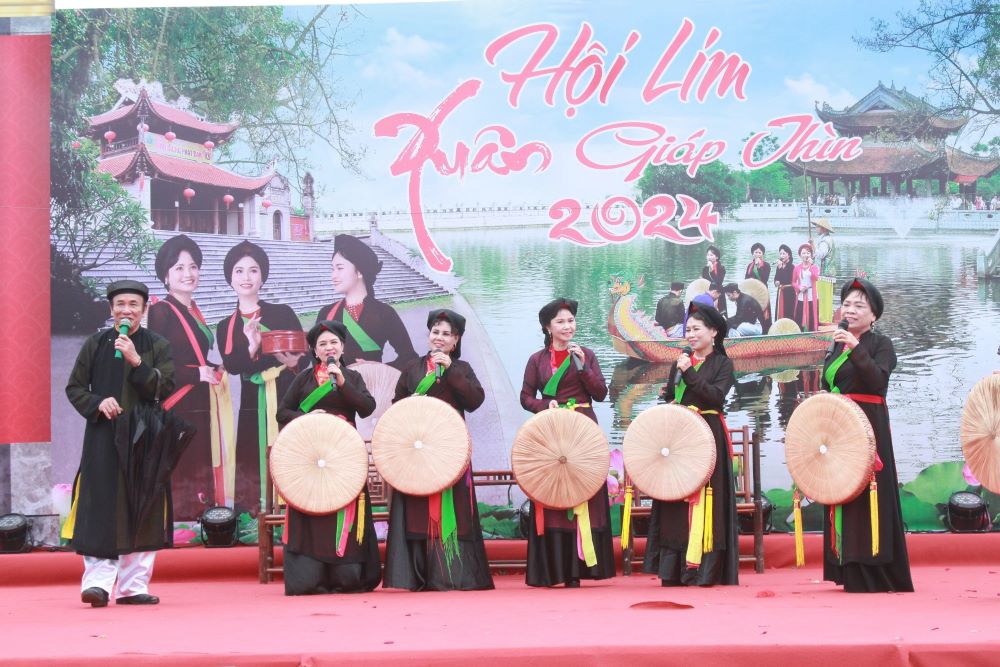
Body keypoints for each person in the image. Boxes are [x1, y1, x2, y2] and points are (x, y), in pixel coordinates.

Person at [64, 280, 176, 607]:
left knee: (142, 506)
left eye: (133, 305)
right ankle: (98, 584)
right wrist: (97, 403)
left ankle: (132, 587)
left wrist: (136, 361)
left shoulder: (157, 345)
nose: (126, 310)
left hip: (145, 434)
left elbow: (163, 388)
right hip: (103, 436)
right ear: (111, 308)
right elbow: (75, 389)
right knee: (100, 505)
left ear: (144, 309)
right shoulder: (96, 344)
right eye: (120, 304)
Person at [383, 309, 494, 591]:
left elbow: (475, 401)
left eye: (446, 334)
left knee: (453, 508)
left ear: (455, 340)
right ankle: (416, 575)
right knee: (416, 508)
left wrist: (452, 370)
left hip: (450, 450)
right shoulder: (412, 368)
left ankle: (452, 575)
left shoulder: (463, 368)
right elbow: (397, 404)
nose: (439, 338)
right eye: (436, 332)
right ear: (429, 335)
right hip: (417, 451)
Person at [821, 279, 913, 593]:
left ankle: (874, 570)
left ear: (874, 315)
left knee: (868, 492)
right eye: (847, 304)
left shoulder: (880, 344)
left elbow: (876, 383)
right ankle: (846, 566)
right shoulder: (835, 343)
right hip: (839, 429)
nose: (851, 310)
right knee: (842, 490)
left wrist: (856, 348)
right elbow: (830, 385)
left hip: (868, 428)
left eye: (859, 306)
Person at [276, 321, 380, 595]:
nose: (328, 347)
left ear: (342, 347)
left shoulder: (351, 377)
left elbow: (367, 408)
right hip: (310, 457)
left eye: (333, 342)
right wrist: (306, 417)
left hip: (344, 457)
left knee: (343, 508)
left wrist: (343, 384)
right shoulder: (303, 379)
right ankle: (310, 576)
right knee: (312, 508)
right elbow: (282, 413)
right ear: (314, 349)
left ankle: (346, 575)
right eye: (322, 344)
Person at [520, 298, 614, 588]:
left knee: (583, 488)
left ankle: (583, 567)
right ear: (548, 327)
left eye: (571, 320)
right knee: (554, 490)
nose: (567, 326)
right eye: (560, 322)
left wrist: (584, 367)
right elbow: (525, 397)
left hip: (583, 429)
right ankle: (556, 568)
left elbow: (601, 393)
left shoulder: (585, 354)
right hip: (552, 431)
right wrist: (544, 406)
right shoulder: (537, 360)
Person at [646, 301, 737, 587]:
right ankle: (673, 569)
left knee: (707, 500)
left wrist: (688, 373)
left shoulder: (723, 364)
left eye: (697, 329)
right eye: (688, 329)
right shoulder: (681, 361)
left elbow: (714, 397)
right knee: (675, 497)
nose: (691, 334)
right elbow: (677, 394)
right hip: (680, 438)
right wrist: (669, 395)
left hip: (708, 435)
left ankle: (703, 569)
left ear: (713, 333)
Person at [216, 240, 305, 514]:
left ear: (262, 276)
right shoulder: (225, 326)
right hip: (253, 399)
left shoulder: (282, 312)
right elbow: (232, 366)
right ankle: (254, 515)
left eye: (253, 270)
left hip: (285, 391)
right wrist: (252, 346)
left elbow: (305, 353)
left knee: (290, 447)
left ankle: (294, 510)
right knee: (252, 453)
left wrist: (293, 363)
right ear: (230, 277)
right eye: (239, 271)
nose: (246, 277)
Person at [147, 234, 229, 520]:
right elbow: (157, 365)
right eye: (179, 268)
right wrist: (198, 374)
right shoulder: (160, 311)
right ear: (166, 276)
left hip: (197, 399)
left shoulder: (192, 310)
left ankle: (200, 517)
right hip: (178, 404)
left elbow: (189, 356)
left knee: (198, 460)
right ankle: (181, 524)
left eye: (193, 266)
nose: (188, 274)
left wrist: (211, 366)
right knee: (184, 463)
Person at [315, 234, 418, 370]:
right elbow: (315, 357)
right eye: (332, 269)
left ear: (359, 272)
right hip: (335, 388)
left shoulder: (384, 313)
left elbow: (409, 357)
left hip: (372, 388)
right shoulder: (326, 313)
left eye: (340, 268)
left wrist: (378, 368)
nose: (333, 275)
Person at [744, 242, 772, 332]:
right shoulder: (749, 266)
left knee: (764, 313)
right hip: (752, 293)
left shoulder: (766, 265)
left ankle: (766, 331)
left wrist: (759, 267)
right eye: (756, 252)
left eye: (760, 252)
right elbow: (746, 279)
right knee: (752, 312)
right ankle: (752, 332)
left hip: (762, 292)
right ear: (753, 254)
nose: (758, 254)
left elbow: (765, 279)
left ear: (763, 254)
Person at [792, 243, 820, 332]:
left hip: (812, 294)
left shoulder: (814, 267)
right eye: (803, 253)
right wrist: (799, 288)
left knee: (812, 315)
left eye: (808, 253)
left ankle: (812, 332)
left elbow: (816, 278)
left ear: (811, 255)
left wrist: (811, 267)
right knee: (799, 315)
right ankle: (799, 333)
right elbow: (793, 282)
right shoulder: (797, 268)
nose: (806, 255)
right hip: (801, 294)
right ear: (800, 255)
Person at [773, 244, 796, 321]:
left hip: (789, 292)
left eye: (784, 253)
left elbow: (786, 279)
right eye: (780, 254)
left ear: (788, 255)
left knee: (789, 312)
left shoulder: (792, 267)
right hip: (781, 292)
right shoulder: (779, 266)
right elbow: (776, 280)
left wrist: (781, 269)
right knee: (779, 311)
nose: (781, 255)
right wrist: (776, 282)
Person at [701, 245, 726, 311]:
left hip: (718, 294)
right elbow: (705, 282)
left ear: (717, 257)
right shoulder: (705, 268)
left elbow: (718, 282)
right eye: (708, 255)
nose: (709, 257)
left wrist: (712, 271)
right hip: (708, 294)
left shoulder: (721, 268)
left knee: (721, 316)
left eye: (711, 255)